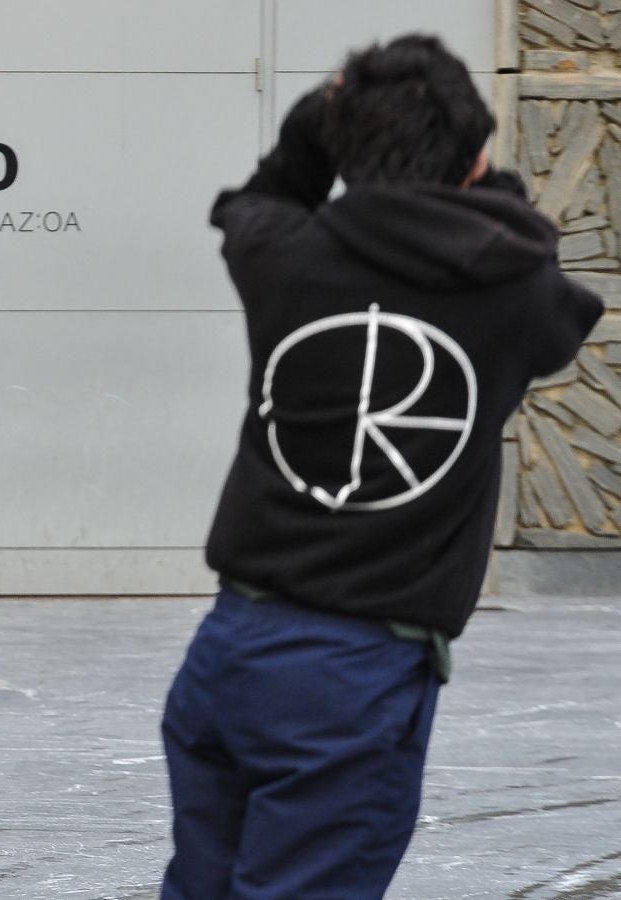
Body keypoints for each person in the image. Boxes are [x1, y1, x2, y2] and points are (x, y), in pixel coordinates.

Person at [160, 34, 603, 899]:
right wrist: (474, 177)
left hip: (229, 648)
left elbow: (254, 197)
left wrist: (317, 126)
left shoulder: (280, 254)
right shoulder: (509, 291)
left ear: (339, 144)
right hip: (355, 678)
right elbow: (539, 260)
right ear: (474, 158)